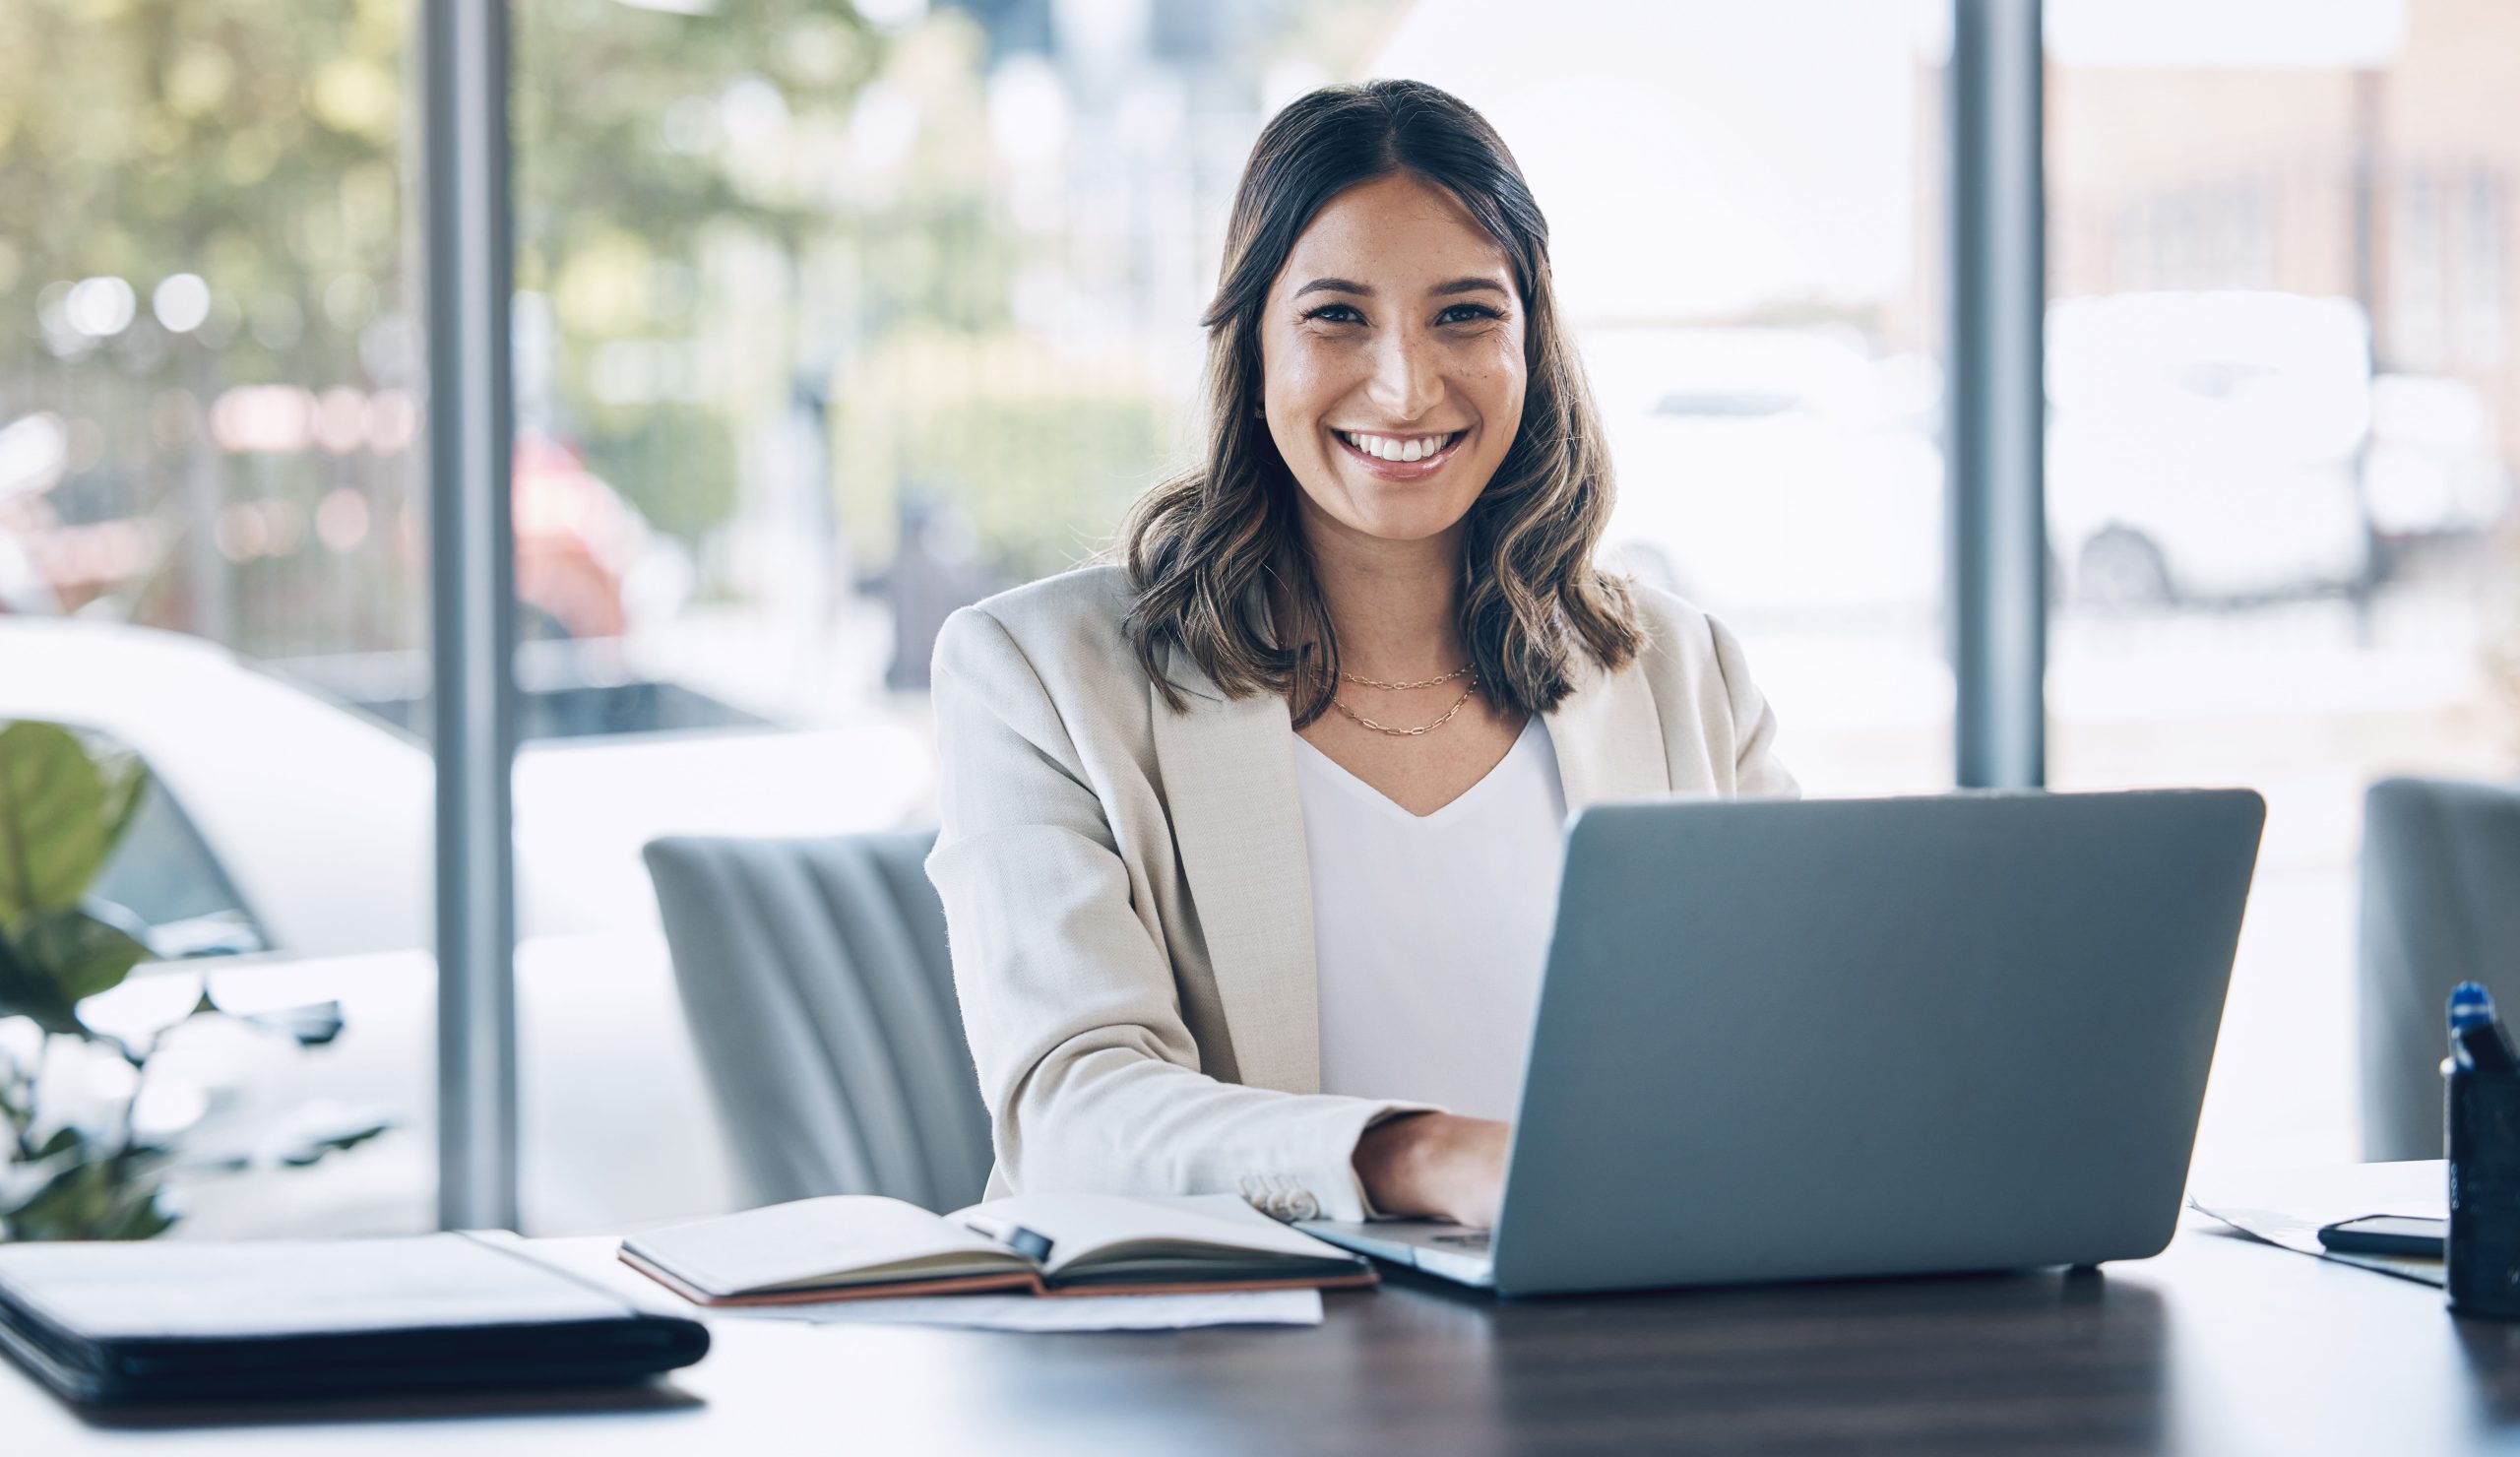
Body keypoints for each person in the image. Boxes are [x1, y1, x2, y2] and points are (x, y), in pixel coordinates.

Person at [926, 80, 1796, 1230]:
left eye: (1465, 314)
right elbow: (1072, 1111)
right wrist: (1418, 1155)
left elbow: (1795, 1054)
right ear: (1253, 344)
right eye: (1337, 315)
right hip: (1217, 1370)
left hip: (1605, 1347)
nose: (1404, 384)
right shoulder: (1038, 674)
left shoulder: (1683, 672)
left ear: (1531, 341)